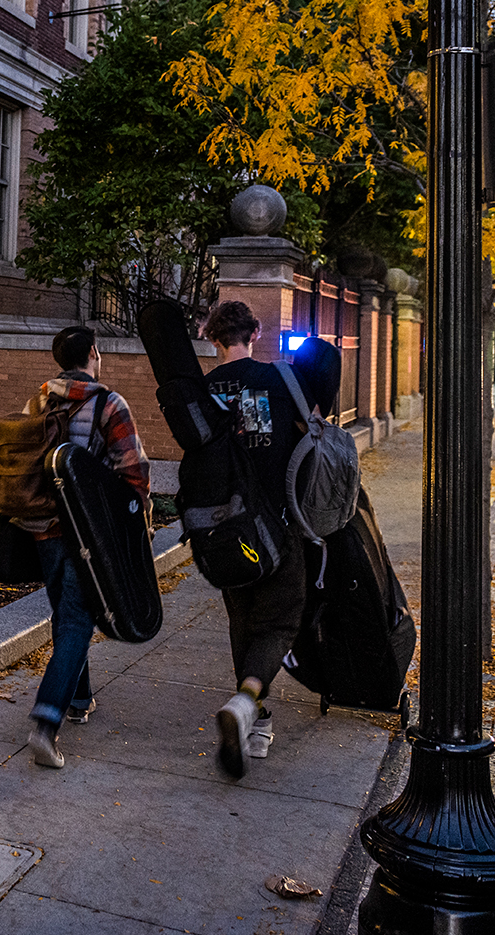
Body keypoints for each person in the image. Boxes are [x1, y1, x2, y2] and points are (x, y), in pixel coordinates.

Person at [21, 324, 151, 769]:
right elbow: (133, 471)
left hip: (42, 529)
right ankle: (46, 721)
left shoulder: (38, 401)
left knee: (69, 613)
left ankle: (78, 698)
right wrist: (136, 525)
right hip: (86, 533)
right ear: (94, 354)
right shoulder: (108, 403)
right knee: (79, 619)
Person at [201, 300, 310, 778]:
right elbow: (307, 438)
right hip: (277, 525)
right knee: (280, 623)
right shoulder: (280, 380)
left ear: (213, 338)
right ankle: (247, 704)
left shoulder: (200, 394)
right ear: (256, 333)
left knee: (241, 622)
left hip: (223, 529)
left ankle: (257, 723)